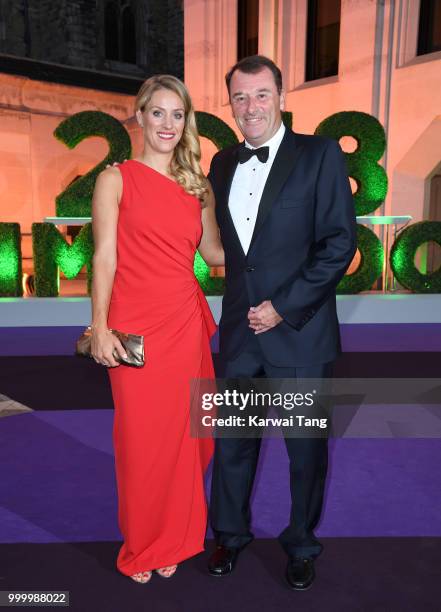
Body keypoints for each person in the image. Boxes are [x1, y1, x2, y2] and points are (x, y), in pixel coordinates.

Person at [206, 55, 357, 590]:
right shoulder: (222, 163)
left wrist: (284, 306)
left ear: (281, 95)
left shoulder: (319, 155)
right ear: (231, 104)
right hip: (240, 336)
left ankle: (300, 544)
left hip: (299, 332)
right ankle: (228, 535)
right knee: (232, 446)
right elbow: (230, 251)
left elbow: (339, 243)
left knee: (304, 451)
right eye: (240, 97)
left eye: (261, 95)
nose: (250, 107)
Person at [90, 74, 224, 584]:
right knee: (140, 440)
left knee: (187, 440)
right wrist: (98, 326)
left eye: (178, 114)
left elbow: (212, 256)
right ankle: (142, 543)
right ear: (140, 116)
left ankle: (174, 537)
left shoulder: (198, 185)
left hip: (185, 325)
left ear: (186, 121)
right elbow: (104, 258)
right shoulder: (115, 178)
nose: (168, 123)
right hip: (134, 330)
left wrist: (277, 244)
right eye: (158, 112)